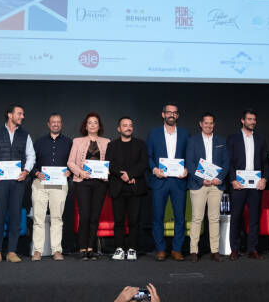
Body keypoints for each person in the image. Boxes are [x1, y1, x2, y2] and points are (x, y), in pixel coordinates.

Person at [0, 104, 35, 264]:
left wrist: (25, 171)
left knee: (15, 216)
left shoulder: (25, 135)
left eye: (23, 114)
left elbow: (31, 156)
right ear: (9, 115)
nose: (22, 116)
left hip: (18, 182)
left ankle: (12, 251)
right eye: (19, 113)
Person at [147, 102, 189, 261]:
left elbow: (189, 157)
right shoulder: (154, 134)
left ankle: (177, 249)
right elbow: (149, 156)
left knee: (180, 217)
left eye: (175, 112)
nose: (172, 115)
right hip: (160, 180)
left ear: (177, 116)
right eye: (169, 112)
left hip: (178, 181)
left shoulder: (185, 134)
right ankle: (161, 249)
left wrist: (187, 170)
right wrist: (154, 169)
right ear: (163, 114)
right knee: (158, 216)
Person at [184, 112, 229, 262]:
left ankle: (215, 251)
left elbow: (226, 163)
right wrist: (201, 179)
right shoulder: (192, 141)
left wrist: (219, 178)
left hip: (216, 185)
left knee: (214, 218)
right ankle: (193, 251)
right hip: (198, 184)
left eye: (211, 123)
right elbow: (189, 163)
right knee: (197, 218)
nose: (208, 125)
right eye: (206, 123)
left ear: (213, 125)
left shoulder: (221, 141)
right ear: (201, 124)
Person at [227, 108, 269, 260]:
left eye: (254, 120)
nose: (252, 122)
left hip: (255, 184)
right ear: (242, 120)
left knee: (254, 218)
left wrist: (264, 178)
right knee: (236, 217)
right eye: (249, 119)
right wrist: (232, 180)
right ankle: (234, 249)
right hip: (239, 184)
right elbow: (229, 162)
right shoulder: (233, 139)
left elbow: (266, 162)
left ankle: (252, 249)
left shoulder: (260, 139)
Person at [68, 112, 111, 260]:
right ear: (85, 126)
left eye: (95, 122)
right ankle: (82, 248)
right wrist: (80, 173)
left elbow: (110, 163)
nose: (93, 125)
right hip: (83, 183)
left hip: (100, 184)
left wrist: (108, 171)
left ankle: (91, 249)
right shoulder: (77, 141)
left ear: (99, 126)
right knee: (84, 215)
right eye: (90, 122)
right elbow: (70, 162)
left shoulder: (107, 142)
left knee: (95, 217)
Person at [31, 113, 72, 261]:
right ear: (48, 124)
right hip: (40, 184)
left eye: (58, 122)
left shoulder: (69, 142)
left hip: (60, 184)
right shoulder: (39, 142)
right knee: (38, 218)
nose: (56, 124)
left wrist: (70, 171)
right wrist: (36, 172)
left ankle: (56, 250)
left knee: (57, 218)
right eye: (53, 122)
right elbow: (31, 161)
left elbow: (72, 162)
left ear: (61, 124)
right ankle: (37, 251)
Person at [106, 116, 148, 261]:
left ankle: (132, 249)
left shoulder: (141, 144)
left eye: (130, 125)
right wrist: (122, 175)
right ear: (119, 129)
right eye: (125, 125)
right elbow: (109, 164)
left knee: (134, 221)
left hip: (135, 188)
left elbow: (143, 164)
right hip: (118, 188)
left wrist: (130, 175)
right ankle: (119, 248)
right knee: (118, 221)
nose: (128, 127)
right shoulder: (112, 145)